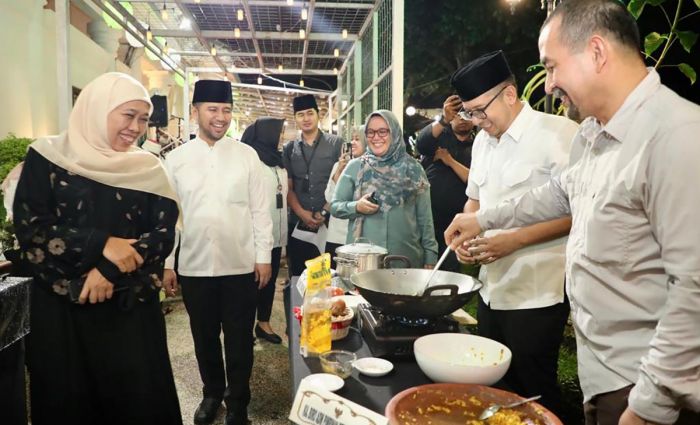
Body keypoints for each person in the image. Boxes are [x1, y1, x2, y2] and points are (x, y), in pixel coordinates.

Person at [445, 2, 700, 424]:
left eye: (552, 67)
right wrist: (483, 219)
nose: (548, 85)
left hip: (646, 388)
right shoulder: (592, 134)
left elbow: (692, 294)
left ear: (597, 52)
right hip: (603, 373)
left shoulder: (676, 137)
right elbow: (558, 194)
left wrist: (647, 406)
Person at [13, 72, 182, 425]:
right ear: (96, 109)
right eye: (128, 115)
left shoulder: (148, 168)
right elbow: (32, 230)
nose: (136, 127)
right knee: (70, 403)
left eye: (144, 118)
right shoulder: (47, 158)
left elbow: (163, 233)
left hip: (128, 312)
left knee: (136, 403)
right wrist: (101, 244)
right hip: (64, 315)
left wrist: (108, 271)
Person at [449, 50, 578, 416]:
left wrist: (514, 240)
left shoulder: (559, 134)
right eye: (469, 113)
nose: (476, 121)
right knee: (491, 391)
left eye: (480, 110)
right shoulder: (482, 142)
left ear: (509, 94)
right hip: (492, 291)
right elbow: (474, 201)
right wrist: (464, 235)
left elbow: (579, 210)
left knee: (533, 396)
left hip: (536, 295)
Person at [162, 80, 272, 425]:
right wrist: (168, 263)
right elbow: (169, 218)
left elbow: (260, 210)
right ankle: (212, 394)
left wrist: (264, 256)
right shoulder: (175, 160)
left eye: (226, 110)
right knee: (204, 337)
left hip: (240, 266)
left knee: (239, 340)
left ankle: (238, 402)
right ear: (195, 112)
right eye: (213, 109)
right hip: (194, 267)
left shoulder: (246, 156)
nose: (220, 117)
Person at [330, 110, 438, 268]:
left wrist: (430, 255)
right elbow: (335, 206)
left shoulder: (414, 169)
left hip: (405, 260)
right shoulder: (356, 167)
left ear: (394, 133)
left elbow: (425, 217)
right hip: (364, 262)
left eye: (382, 131)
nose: (376, 137)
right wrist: (356, 207)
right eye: (370, 132)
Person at [282, 94, 343, 277]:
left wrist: (324, 212)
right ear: (295, 119)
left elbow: (341, 183)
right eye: (300, 115)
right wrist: (302, 214)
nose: (306, 119)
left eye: (310, 113)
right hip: (299, 226)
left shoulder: (335, 144)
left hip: (330, 224)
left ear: (318, 114)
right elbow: (288, 187)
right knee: (299, 277)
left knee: (328, 278)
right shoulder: (289, 149)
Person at [415, 95, 475, 272]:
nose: (462, 119)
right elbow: (421, 143)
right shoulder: (439, 138)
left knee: (449, 270)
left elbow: (475, 181)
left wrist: (449, 161)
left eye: (467, 115)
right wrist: (443, 119)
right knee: (422, 268)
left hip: (457, 220)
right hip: (429, 217)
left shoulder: (480, 144)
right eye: (458, 115)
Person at [240, 117, 287, 344]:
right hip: (255, 236)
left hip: (277, 235)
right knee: (251, 283)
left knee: (270, 280)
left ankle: (264, 323)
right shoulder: (251, 161)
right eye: (279, 133)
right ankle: (244, 326)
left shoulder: (278, 161)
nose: (282, 137)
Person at [324, 126, 366, 265]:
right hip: (335, 234)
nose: (353, 143)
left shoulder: (371, 168)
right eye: (352, 139)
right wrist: (338, 173)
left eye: (358, 139)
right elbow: (329, 199)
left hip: (357, 237)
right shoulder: (338, 165)